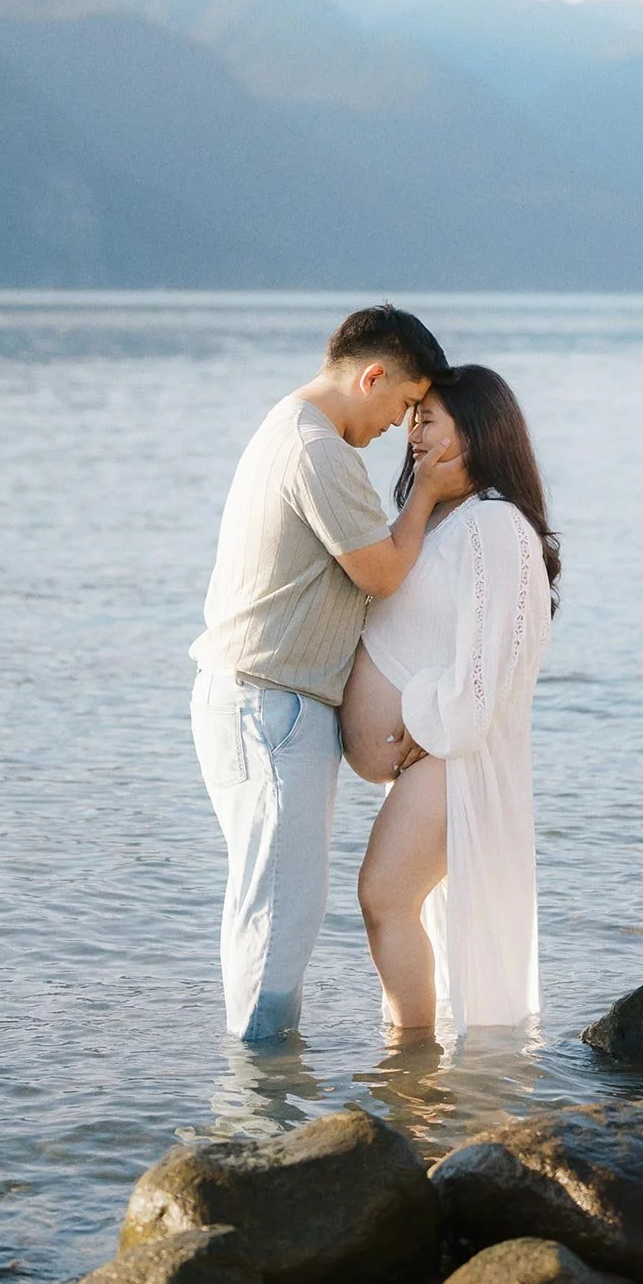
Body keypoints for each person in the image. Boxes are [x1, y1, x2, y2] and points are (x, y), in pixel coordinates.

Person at [190, 304, 465, 1041]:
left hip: (257, 702)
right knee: (280, 916)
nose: (400, 430)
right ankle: (263, 1108)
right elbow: (379, 572)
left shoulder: (288, 428)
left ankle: (260, 1105)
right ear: (372, 375)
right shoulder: (317, 449)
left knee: (271, 908)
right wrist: (432, 497)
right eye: (405, 405)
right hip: (269, 709)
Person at [342, 365, 557, 1036]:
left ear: (477, 429)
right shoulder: (444, 521)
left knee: (383, 898)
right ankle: (416, 1060)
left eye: (429, 416)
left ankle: (411, 1063)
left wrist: (427, 718)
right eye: (413, 416)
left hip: (452, 758)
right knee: (390, 902)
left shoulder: (495, 524)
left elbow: (491, 668)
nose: (412, 430)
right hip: (431, 756)